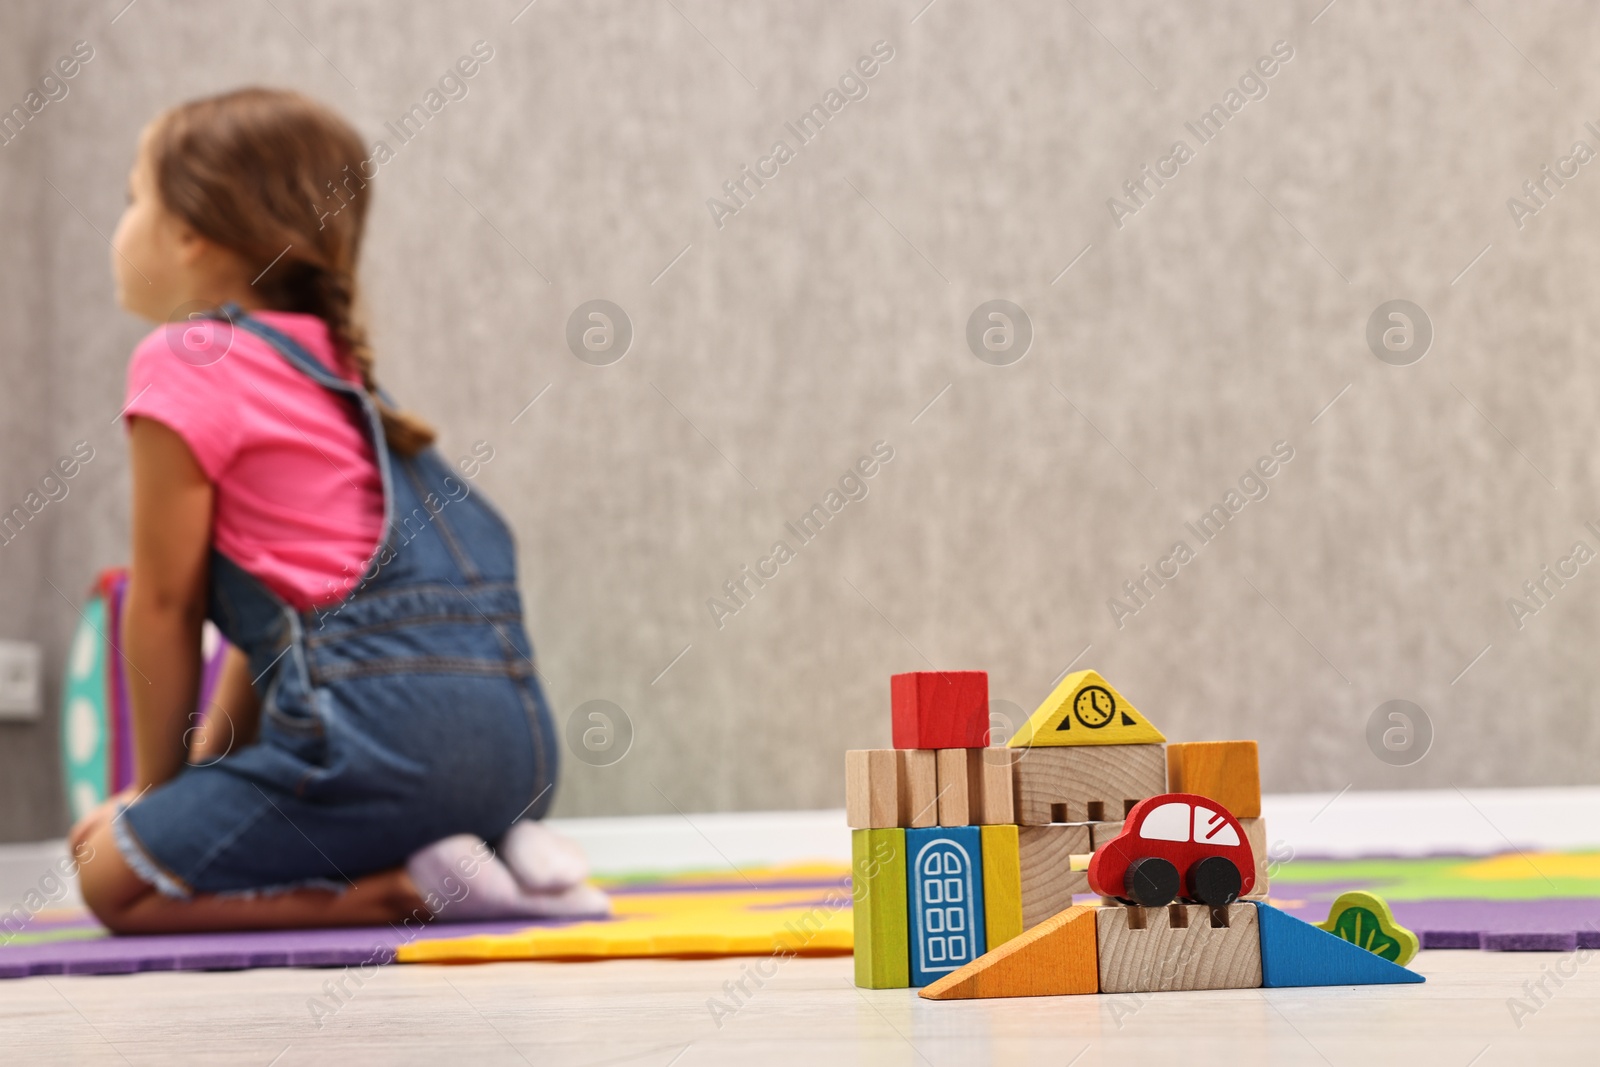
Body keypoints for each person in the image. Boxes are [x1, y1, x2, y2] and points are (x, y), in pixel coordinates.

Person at [70, 88, 605, 933]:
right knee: (299, 785)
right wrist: (216, 772)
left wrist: (152, 799)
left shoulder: (182, 356)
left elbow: (165, 605)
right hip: (519, 758)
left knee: (107, 876)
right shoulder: (346, 376)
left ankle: (396, 889)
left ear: (187, 232)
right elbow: (282, 624)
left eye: (134, 198)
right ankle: (499, 847)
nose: (123, 226)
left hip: (377, 755)